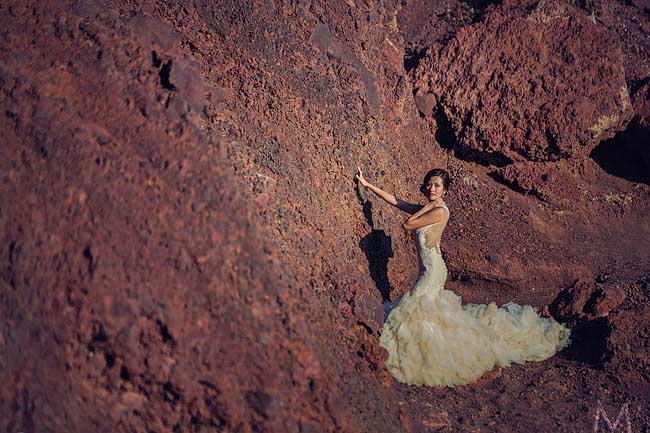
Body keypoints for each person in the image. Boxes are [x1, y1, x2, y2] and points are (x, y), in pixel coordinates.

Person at [355, 167, 571, 387]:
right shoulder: (431, 208)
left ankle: (430, 357)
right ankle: (430, 348)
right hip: (430, 268)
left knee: (414, 308)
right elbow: (398, 202)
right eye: (429, 184)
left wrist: (423, 207)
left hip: (432, 271)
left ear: (445, 190)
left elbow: (408, 223)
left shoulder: (439, 211)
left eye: (437, 185)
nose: (431, 188)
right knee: (425, 314)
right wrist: (367, 185)